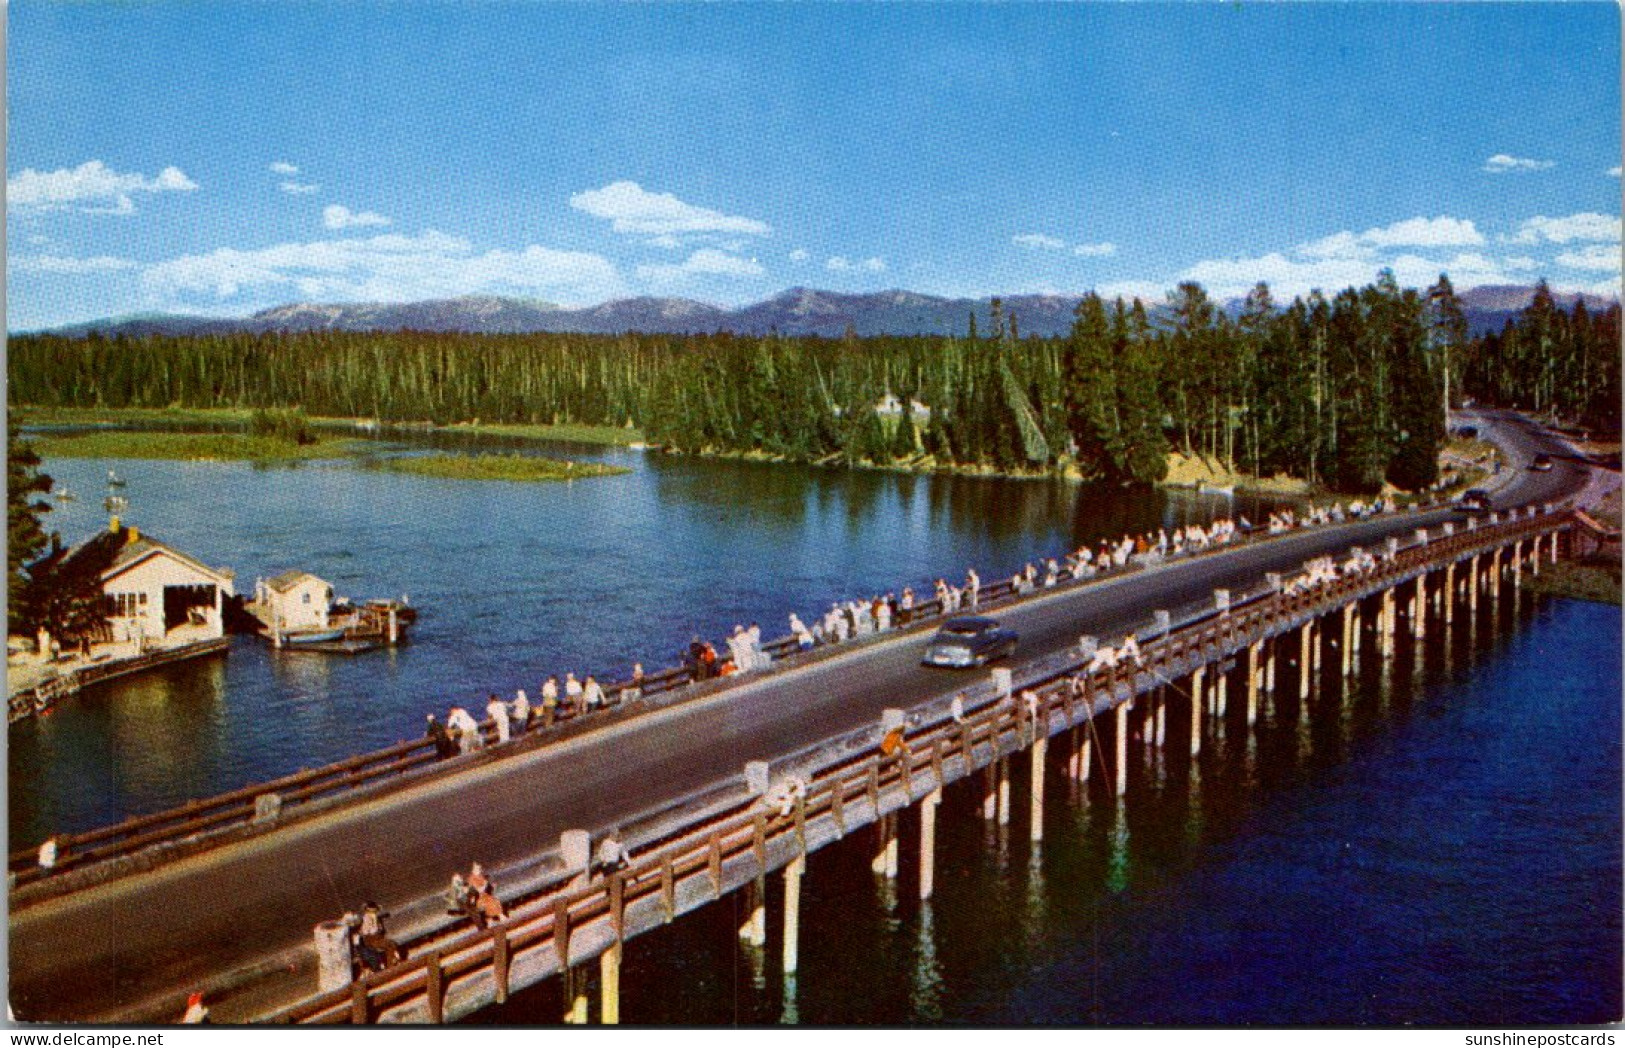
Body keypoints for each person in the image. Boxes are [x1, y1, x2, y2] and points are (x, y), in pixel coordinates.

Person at [354, 902, 404, 972]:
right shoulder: (368, 917)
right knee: (389, 945)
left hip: (376, 937)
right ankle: (390, 965)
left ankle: (391, 962)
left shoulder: (374, 917)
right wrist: (370, 931)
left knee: (391, 944)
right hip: (372, 938)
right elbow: (366, 931)